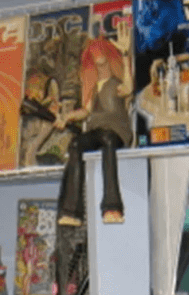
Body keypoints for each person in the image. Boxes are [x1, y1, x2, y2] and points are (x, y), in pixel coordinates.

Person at [55, 22, 133, 225]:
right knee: (76, 144)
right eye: (97, 65)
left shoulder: (116, 84)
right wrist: (67, 117)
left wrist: (125, 54)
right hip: (96, 130)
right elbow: (86, 111)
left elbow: (128, 88)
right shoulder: (94, 89)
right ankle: (71, 211)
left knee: (108, 140)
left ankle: (112, 206)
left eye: (104, 63)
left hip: (115, 130)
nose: (101, 68)